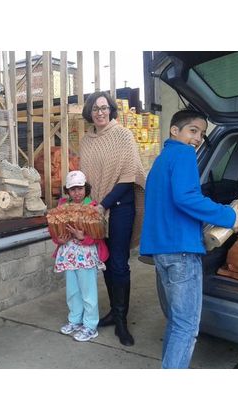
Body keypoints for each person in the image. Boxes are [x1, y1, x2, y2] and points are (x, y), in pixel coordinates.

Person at [140, 109, 238, 369]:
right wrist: (229, 216)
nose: (197, 139)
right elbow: (186, 198)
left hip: (162, 251)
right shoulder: (184, 154)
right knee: (187, 327)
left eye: (202, 134)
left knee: (177, 323)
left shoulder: (161, 161)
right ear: (174, 131)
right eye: (193, 131)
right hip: (182, 252)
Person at [79, 91, 146, 346]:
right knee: (105, 262)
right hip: (96, 209)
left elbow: (129, 177)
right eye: (95, 108)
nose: (100, 112)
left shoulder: (123, 135)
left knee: (118, 263)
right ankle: (113, 312)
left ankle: (121, 321)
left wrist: (103, 205)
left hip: (119, 207)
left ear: (111, 109)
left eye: (104, 107)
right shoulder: (86, 141)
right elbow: (86, 179)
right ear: (89, 112)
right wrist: (84, 205)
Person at [52, 170, 109, 342]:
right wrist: (59, 239)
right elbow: (54, 230)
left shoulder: (93, 208)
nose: (76, 193)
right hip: (68, 254)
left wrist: (83, 237)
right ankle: (75, 320)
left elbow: (100, 234)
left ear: (86, 189)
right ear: (67, 191)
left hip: (86, 255)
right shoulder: (62, 207)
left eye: (80, 188)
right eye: (73, 189)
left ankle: (90, 325)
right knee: (73, 291)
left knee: (88, 292)